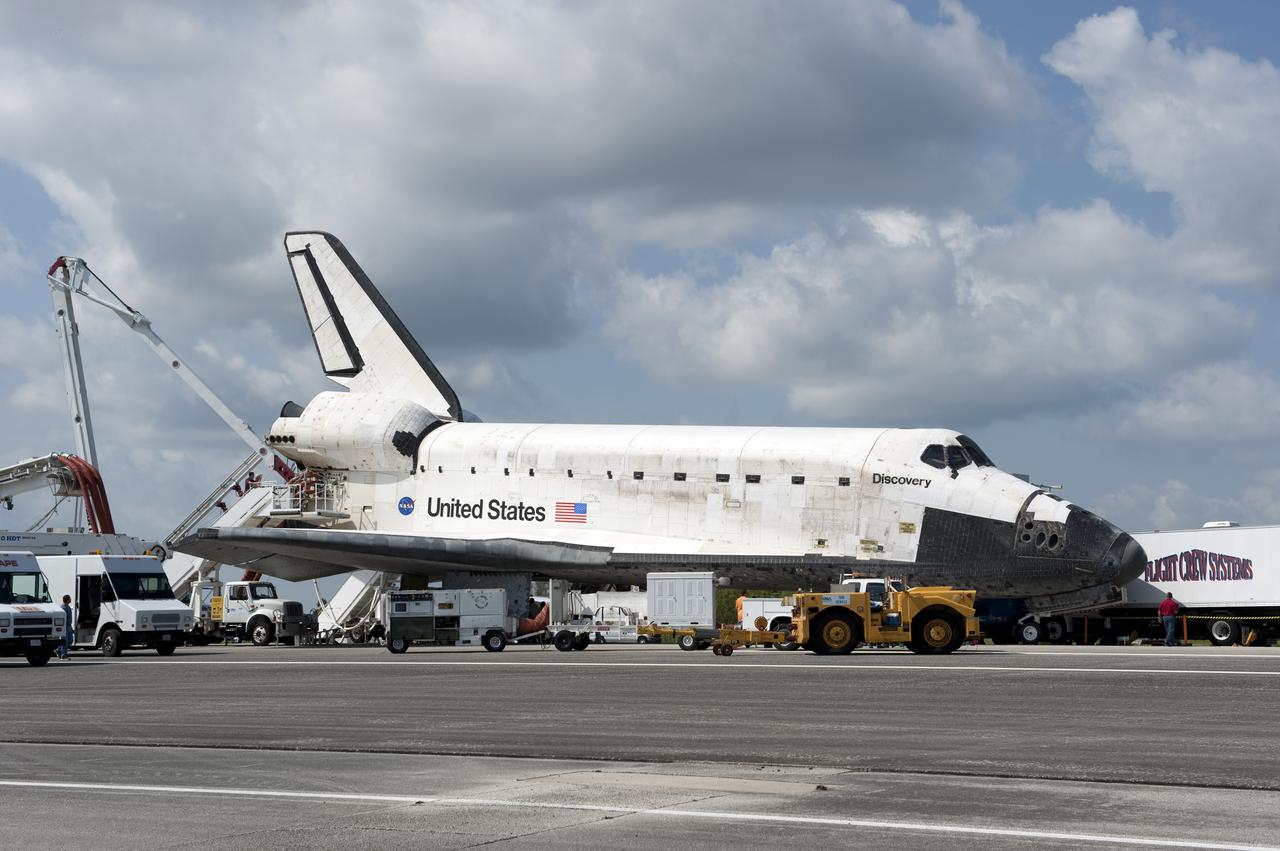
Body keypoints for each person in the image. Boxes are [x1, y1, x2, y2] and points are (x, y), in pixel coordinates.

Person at [58, 594, 74, 659]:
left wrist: (71, 627)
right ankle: (64, 654)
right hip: (64, 627)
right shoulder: (63, 608)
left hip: (69, 626)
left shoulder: (68, 607)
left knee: (70, 640)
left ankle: (58, 650)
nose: (70, 600)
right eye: (69, 598)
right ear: (67, 600)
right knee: (65, 641)